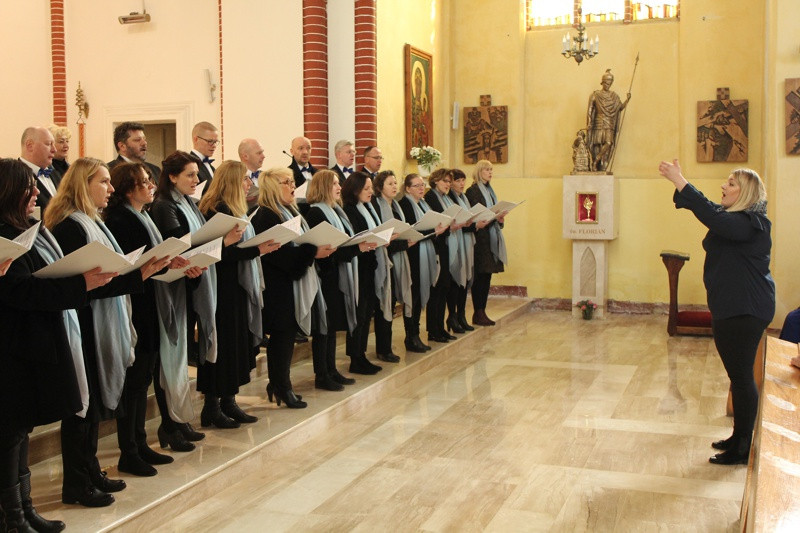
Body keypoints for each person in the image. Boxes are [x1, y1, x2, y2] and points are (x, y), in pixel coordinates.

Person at [45, 157, 168, 507]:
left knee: (93, 406)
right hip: (83, 324)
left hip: (95, 321)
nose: (111, 188)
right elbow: (89, 285)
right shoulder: (71, 227)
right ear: (82, 185)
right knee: (82, 408)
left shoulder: (91, 221)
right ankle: (76, 483)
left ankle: (91, 470)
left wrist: (140, 270)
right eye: (102, 181)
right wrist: (140, 274)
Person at [0, 159, 112, 532]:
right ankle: (13, 517)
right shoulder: (3, 233)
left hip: (31, 341)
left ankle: (25, 509)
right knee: (10, 435)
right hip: (13, 347)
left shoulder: (23, 228)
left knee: (19, 434)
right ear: (9, 191)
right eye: (28, 186)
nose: (36, 192)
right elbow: (21, 290)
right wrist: (80, 284)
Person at [658, 159, 775, 465]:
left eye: (731, 183)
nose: (724, 186)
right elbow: (711, 209)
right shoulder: (734, 219)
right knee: (737, 375)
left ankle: (742, 447)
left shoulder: (752, 223)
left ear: (745, 193)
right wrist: (682, 186)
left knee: (741, 376)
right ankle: (738, 437)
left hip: (746, 309)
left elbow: (711, 214)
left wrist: (681, 181)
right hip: (732, 306)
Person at [104, 163, 203, 477]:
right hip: (136, 305)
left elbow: (151, 259)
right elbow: (130, 264)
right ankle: (129, 451)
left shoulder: (143, 215)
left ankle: (140, 444)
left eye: (149, 180)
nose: (150, 185)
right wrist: (161, 262)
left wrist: (172, 262)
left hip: (151, 302)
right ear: (127, 188)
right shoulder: (120, 219)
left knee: (143, 380)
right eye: (144, 182)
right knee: (134, 382)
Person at [197, 160, 278, 427]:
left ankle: (229, 401)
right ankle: (212, 406)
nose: (249, 184)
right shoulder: (217, 210)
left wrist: (257, 248)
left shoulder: (235, 209)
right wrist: (258, 250)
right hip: (222, 288)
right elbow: (220, 254)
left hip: (237, 287)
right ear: (232, 181)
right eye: (244, 179)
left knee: (235, 346)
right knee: (222, 347)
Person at [149, 151, 217, 447]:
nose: (196, 180)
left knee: (181, 357)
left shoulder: (188, 202)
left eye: (197, 174)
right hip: (171, 289)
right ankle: (169, 424)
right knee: (170, 359)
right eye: (190, 174)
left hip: (187, 285)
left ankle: (179, 421)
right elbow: (176, 244)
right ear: (172, 177)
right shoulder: (164, 205)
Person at [251, 167, 333, 407]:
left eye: (292, 182)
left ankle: (280, 384)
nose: (292, 186)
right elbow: (280, 255)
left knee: (285, 338)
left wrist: (315, 250)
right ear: (271, 187)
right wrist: (312, 252)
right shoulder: (266, 216)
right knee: (281, 337)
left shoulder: (289, 211)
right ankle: (281, 386)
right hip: (277, 286)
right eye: (286, 182)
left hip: (289, 284)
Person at [305, 170, 370, 390]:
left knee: (331, 327)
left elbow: (342, 243)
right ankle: (321, 374)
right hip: (326, 275)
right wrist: (358, 248)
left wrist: (357, 246)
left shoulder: (335, 210)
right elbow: (329, 249)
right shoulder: (316, 213)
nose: (339, 187)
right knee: (324, 328)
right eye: (334, 184)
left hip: (337, 273)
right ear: (323, 186)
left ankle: (331, 369)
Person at [341, 171, 387, 371]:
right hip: (358, 267)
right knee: (359, 314)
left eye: (371, 188)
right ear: (355, 190)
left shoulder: (366, 207)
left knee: (367, 314)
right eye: (366, 189)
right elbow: (354, 238)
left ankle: (361, 355)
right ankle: (355, 358)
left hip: (369, 265)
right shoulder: (349, 210)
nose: (370, 192)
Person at [399, 173, 447, 352]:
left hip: (425, 253)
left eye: (422, 185)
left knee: (419, 297)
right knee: (413, 297)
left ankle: (416, 334)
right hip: (412, 255)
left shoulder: (423, 204)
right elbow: (412, 230)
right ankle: (410, 336)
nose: (421, 188)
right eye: (417, 185)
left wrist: (436, 230)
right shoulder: (405, 205)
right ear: (408, 189)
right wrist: (433, 230)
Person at [372, 170, 413, 358]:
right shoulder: (376, 206)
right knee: (384, 304)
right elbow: (383, 239)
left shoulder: (396, 206)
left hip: (399, 259)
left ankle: (387, 347)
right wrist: (404, 243)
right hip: (384, 260)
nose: (394, 186)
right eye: (390, 183)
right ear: (380, 187)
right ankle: (383, 349)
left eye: (395, 183)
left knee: (393, 302)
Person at [466, 160, 508, 326]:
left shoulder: (490, 191)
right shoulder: (473, 191)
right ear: (479, 172)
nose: (490, 172)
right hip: (479, 240)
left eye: (491, 170)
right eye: (486, 170)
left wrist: (500, 219)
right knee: (480, 277)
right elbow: (473, 215)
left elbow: (491, 214)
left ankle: (482, 310)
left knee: (487, 276)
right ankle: (478, 312)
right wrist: (491, 217)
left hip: (489, 238)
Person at [447, 168, 488, 332]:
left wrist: (475, 222)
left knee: (464, 281)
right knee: (455, 282)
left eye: (463, 180)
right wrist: (474, 225)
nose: (462, 183)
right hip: (456, 242)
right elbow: (457, 223)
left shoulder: (463, 197)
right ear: (451, 183)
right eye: (457, 181)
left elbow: (467, 219)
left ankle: (461, 315)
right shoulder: (450, 199)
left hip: (467, 242)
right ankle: (452, 316)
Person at [424, 169, 461, 342]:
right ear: (435, 181)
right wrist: (448, 226)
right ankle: (433, 329)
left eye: (449, 181)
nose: (448, 184)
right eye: (445, 181)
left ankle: (440, 327)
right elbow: (436, 222)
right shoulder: (431, 197)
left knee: (444, 287)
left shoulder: (446, 198)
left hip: (445, 245)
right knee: (436, 289)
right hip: (436, 247)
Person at [586, 69, 630, 172]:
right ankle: (596, 164)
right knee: (596, 146)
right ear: (602, 82)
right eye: (606, 83)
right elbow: (589, 110)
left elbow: (620, 108)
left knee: (609, 143)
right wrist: (589, 122)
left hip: (609, 123)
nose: (608, 85)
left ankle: (596, 161)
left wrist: (627, 100)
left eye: (610, 84)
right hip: (598, 123)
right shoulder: (595, 95)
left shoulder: (614, 96)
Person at [19, 126, 60, 215]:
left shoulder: (55, 173)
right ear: (30, 146)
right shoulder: (15, 176)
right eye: (48, 144)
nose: (54, 150)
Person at [190, 121, 219, 190]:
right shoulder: (189, 164)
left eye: (215, 142)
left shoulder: (211, 167)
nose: (214, 145)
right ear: (196, 140)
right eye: (210, 141)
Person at [239, 138, 266, 211]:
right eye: (259, 153)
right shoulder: (236, 179)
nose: (263, 156)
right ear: (245, 156)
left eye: (262, 152)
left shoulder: (266, 177)